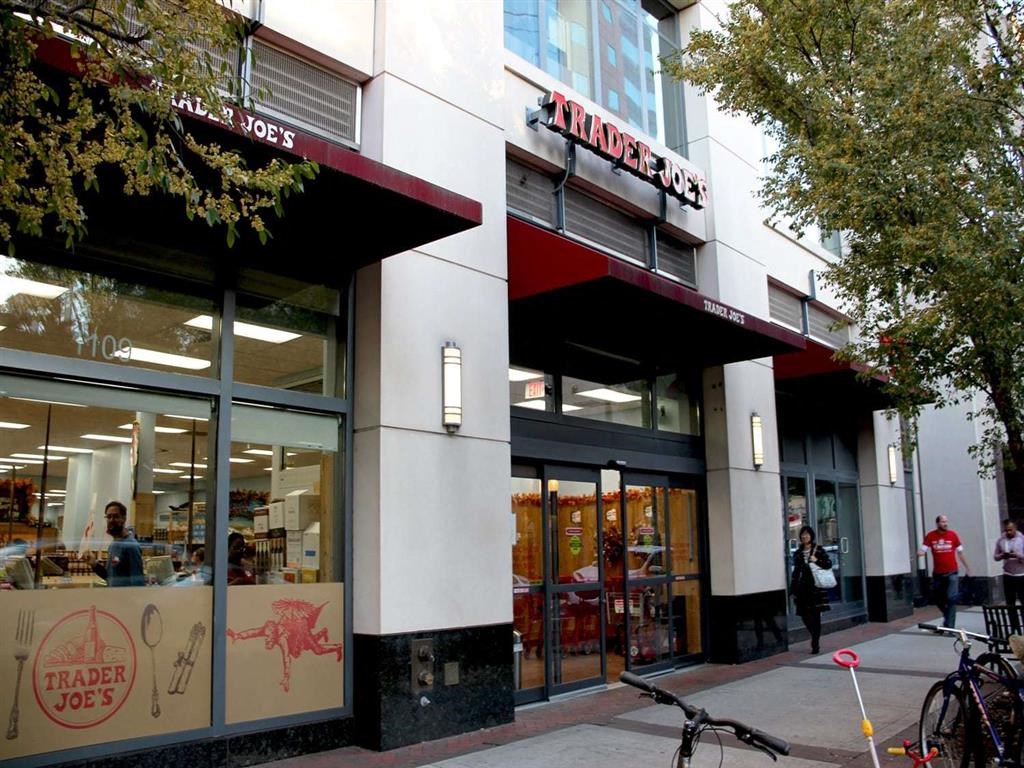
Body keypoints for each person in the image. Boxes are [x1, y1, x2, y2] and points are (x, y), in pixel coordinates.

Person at [919, 514, 970, 628]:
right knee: (937, 598)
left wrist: (967, 567)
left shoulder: (953, 535)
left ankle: (950, 626)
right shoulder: (931, 536)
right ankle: (948, 617)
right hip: (938, 573)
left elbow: (960, 552)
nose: (945, 524)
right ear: (937, 523)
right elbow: (923, 549)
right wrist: (920, 553)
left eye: (946, 521)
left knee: (951, 598)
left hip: (952, 571)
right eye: (943, 522)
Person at [791, 525, 831, 654]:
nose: (804, 537)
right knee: (804, 615)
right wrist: (793, 589)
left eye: (807, 534)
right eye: (803, 535)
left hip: (816, 587)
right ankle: (814, 635)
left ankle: (815, 642)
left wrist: (817, 560)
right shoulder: (798, 553)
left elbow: (828, 564)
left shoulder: (818, 550)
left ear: (811, 536)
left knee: (815, 616)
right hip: (802, 588)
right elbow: (796, 572)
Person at [91, 501, 145, 587]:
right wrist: (94, 564)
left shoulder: (131, 546)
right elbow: (109, 577)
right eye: (109, 517)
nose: (111, 520)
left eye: (115, 516)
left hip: (125, 599)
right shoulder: (113, 545)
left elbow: (138, 583)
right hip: (114, 597)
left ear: (124, 519)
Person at [993, 518, 1024, 630]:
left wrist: (1018, 555)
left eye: (1011, 530)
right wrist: (1002, 555)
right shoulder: (1001, 540)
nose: (1009, 532)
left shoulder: (1022, 540)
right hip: (1008, 574)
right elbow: (995, 557)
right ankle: (1014, 627)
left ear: (1015, 528)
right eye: (1007, 530)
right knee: (1010, 603)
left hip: (1021, 574)